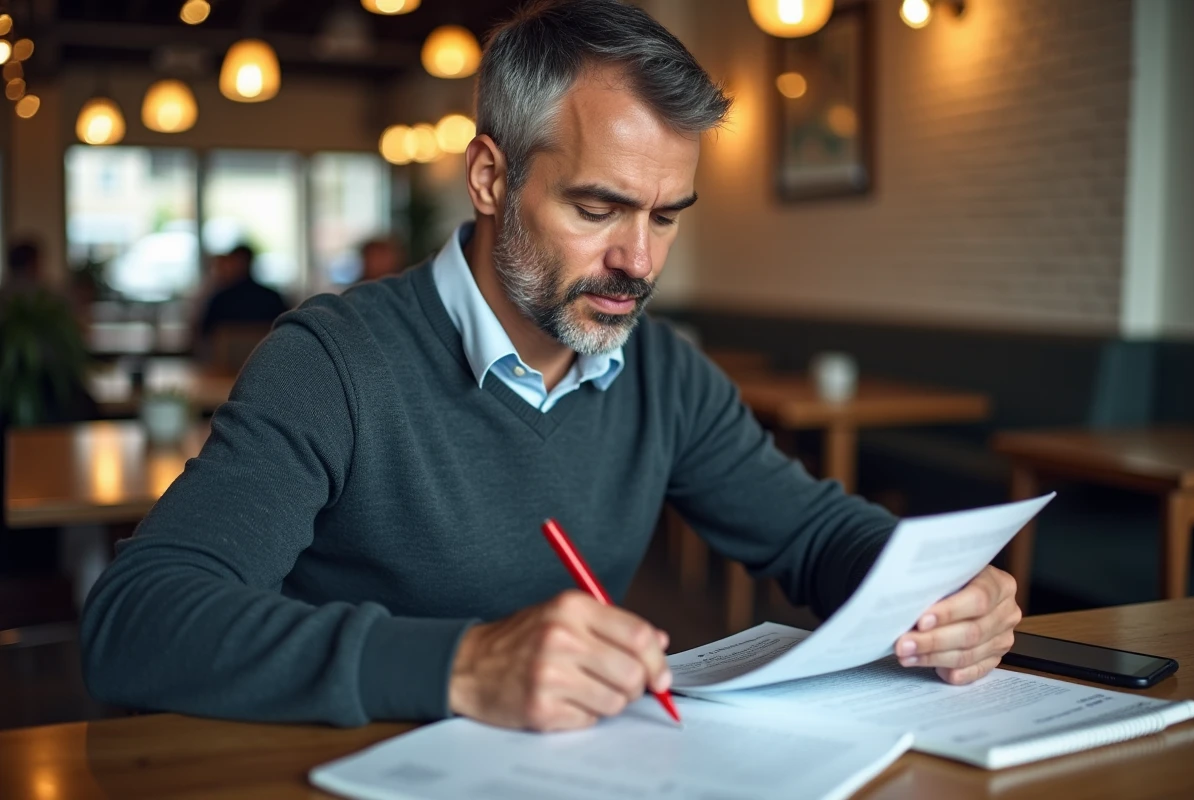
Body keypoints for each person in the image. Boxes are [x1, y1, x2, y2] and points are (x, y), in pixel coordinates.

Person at [81, 0, 1020, 732]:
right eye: (597, 209)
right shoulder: (332, 362)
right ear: (491, 178)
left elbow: (813, 535)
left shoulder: (664, 374)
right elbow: (137, 619)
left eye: (665, 216)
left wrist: (932, 590)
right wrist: (461, 666)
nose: (638, 262)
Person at [197, 243, 289, 342]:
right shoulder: (273, 298)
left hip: (228, 352)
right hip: (269, 350)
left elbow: (204, 333)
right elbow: (287, 329)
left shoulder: (221, 300)